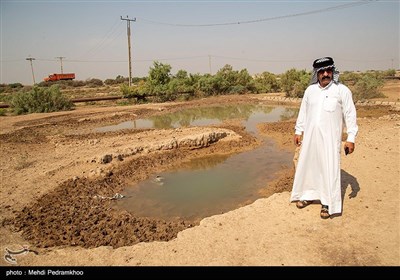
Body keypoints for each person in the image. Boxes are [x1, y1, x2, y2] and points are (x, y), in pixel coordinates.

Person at [290, 57, 358, 219]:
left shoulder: (342, 91)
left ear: (333, 72)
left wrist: (351, 138)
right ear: (317, 73)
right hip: (311, 139)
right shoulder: (310, 91)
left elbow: (350, 115)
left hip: (330, 140)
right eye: (322, 71)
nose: (325, 74)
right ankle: (307, 195)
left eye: (328, 71)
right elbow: (303, 113)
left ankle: (327, 203)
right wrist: (299, 131)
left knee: (329, 169)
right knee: (309, 166)